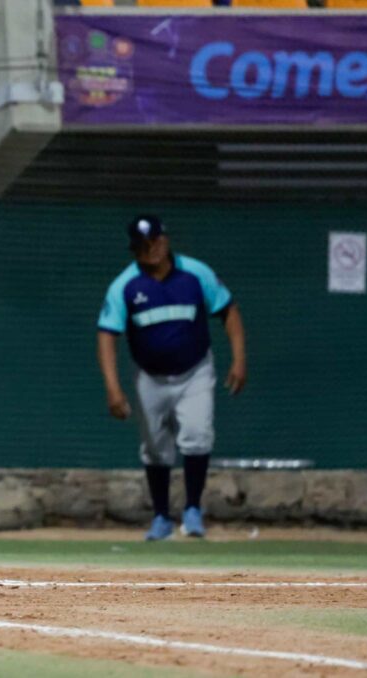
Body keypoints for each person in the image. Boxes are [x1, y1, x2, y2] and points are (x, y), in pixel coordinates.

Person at [96, 215, 246, 541]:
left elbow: (228, 310)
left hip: (195, 371)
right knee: (155, 448)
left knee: (196, 434)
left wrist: (239, 359)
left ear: (165, 241)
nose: (149, 250)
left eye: (154, 243)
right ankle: (161, 517)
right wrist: (113, 387)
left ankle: (192, 511)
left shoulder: (196, 274)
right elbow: (107, 333)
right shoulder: (125, 285)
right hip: (150, 377)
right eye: (141, 246)